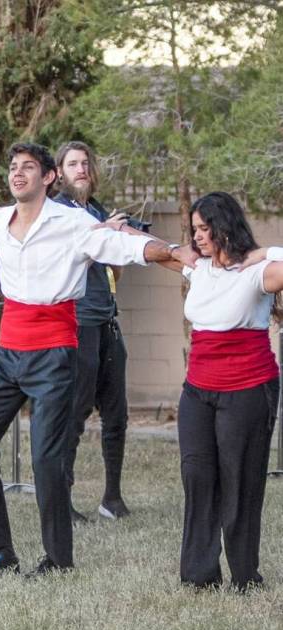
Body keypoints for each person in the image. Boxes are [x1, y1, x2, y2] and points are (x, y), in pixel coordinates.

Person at [0, 143, 189, 577]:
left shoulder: (74, 222)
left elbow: (128, 248)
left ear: (48, 177)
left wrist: (177, 254)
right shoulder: (0, 222)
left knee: (47, 458)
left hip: (54, 353)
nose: (18, 173)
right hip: (7, 354)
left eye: (28, 167)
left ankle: (58, 559)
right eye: (12, 167)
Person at [138, 192, 282, 591]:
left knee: (241, 481)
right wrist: (147, 240)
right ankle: (199, 574)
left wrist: (266, 251)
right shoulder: (197, 268)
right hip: (198, 391)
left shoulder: (259, 271)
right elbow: (143, 250)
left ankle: (245, 576)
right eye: (195, 229)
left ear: (226, 227)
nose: (198, 237)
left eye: (206, 228)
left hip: (248, 390)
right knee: (197, 476)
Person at [53, 141, 132, 522]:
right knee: (76, 411)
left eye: (85, 163)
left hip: (108, 320)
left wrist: (118, 243)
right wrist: (105, 232)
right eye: (73, 164)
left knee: (116, 413)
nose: (81, 169)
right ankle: (62, 502)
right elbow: (67, 252)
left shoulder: (96, 209)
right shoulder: (57, 212)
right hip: (77, 322)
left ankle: (112, 498)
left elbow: (111, 266)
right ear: (59, 172)